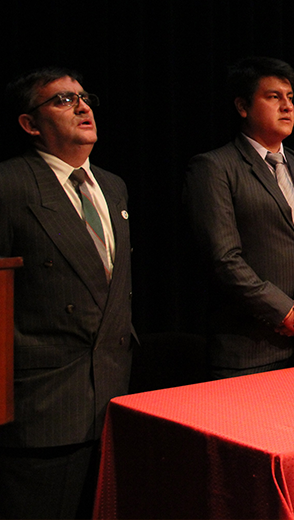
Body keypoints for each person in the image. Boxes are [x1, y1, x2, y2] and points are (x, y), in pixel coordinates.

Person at [0, 68, 134, 519]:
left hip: (111, 397)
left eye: (84, 97)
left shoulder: (112, 185)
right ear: (29, 124)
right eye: (62, 100)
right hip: (43, 411)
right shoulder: (10, 185)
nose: (82, 107)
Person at [184, 57, 294, 379]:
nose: (287, 106)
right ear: (243, 106)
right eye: (273, 97)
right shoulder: (214, 168)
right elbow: (224, 260)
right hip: (249, 353)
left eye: (290, 98)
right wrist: (285, 311)